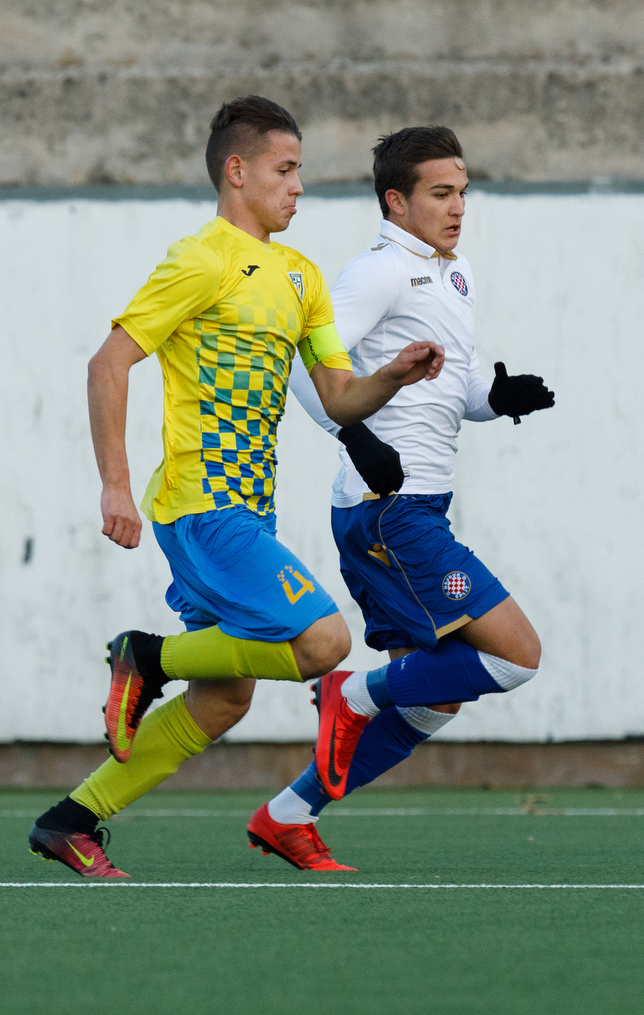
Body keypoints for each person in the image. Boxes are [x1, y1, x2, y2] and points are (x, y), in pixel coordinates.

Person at [27, 97, 445, 878]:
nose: (297, 188)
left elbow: (336, 393)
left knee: (224, 700)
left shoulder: (302, 277)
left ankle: (68, 819)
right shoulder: (202, 259)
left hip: (243, 511)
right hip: (201, 505)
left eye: (301, 173)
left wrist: (391, 375)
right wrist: (114, 484)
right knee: (325, 641)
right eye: (285, 171)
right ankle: (147, 656)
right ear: (237, 170)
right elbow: (108, 363)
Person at [245, 126, 554, 870]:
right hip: (392, 511)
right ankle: (350, 693)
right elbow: (304, 368)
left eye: (463, 193)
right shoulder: (378, 273)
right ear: (397, 200)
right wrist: (355, 439)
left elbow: (451, 383)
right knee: (516, 656)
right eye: (441, 194)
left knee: (432, 699)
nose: (457, 208)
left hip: (413, 511)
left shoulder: (453, 272)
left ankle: (287, 813)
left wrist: (494, 396)